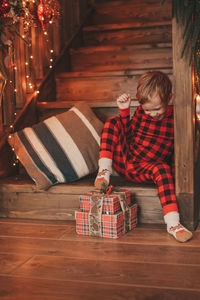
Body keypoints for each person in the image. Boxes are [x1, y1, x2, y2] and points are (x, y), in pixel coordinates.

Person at [94, 70, 193, 243]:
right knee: (112, 122)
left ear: (169, 99)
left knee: (163, 169)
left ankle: (173, 223)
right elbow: (128, 134)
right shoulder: (141, 112)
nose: (152, 114)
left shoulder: (176, 119)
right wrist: (125, 112)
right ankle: (104, 170)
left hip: (147, 169)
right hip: (126, 161)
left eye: (157, 109)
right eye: (148, 110)